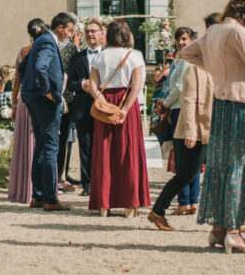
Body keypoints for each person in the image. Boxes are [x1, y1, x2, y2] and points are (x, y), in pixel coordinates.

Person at [178, 0, 245, 254]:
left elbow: (187, 53)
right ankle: (233, 230)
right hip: (242, 103)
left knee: (221, 163)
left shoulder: (214, 30)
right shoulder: (237, 32)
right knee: (239, 164)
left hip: (221, 101)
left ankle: (218, 227)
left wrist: (215, 69)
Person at [84, 19, 151, 218]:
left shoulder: (100, 56)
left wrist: (104, 103)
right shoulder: (134, 55)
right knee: (128, 151)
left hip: (106, 103)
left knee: (104, 152)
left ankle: (104, 205)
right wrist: (124, 110)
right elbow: (136, 86)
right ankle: (129, 205)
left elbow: (93, 85)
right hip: (126, 103)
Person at [149, 27, 210, 229]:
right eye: (179, 39)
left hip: (203, 124)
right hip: (189, 123)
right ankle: (162, 210)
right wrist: (168, 104)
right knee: (185, 173)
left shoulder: (206, 67)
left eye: (185, 39)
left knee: (197, 171)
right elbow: (187, 96)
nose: (181, 43)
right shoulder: (191, 66)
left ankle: (224, 219)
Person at [23, 13, 77, 211]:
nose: (71, 35)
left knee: (41, 145)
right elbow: (40, 67)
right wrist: (47, 91)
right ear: (60, 27)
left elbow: (23, 66)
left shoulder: (40, 40)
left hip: (32, 97)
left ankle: (38, 196)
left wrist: (30, 88)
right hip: (45, 100)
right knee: (50, 146)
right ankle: (49, 199)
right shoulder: (47, 41)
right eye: (69, 30)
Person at [64, 20, 104, 192]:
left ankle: (103, 182)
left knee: (103, 146)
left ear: (101, 33)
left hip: (103, 106)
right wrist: (82, 84)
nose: (90, 34)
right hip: (82, 107)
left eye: (93, 31)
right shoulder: (77, 57)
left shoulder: (108, 55)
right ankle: (88, 185)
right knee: (85, 146)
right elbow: (70, 83)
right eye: (87, 31)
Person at [7, 26, 39, 205]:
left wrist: (13, 106)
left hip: (22, 102)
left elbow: (16, 84)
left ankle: (21, 189)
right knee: (37, 145)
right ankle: (35, 189)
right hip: (38, 101)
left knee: (22, 145)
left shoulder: (22, 52)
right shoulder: (44, 51)